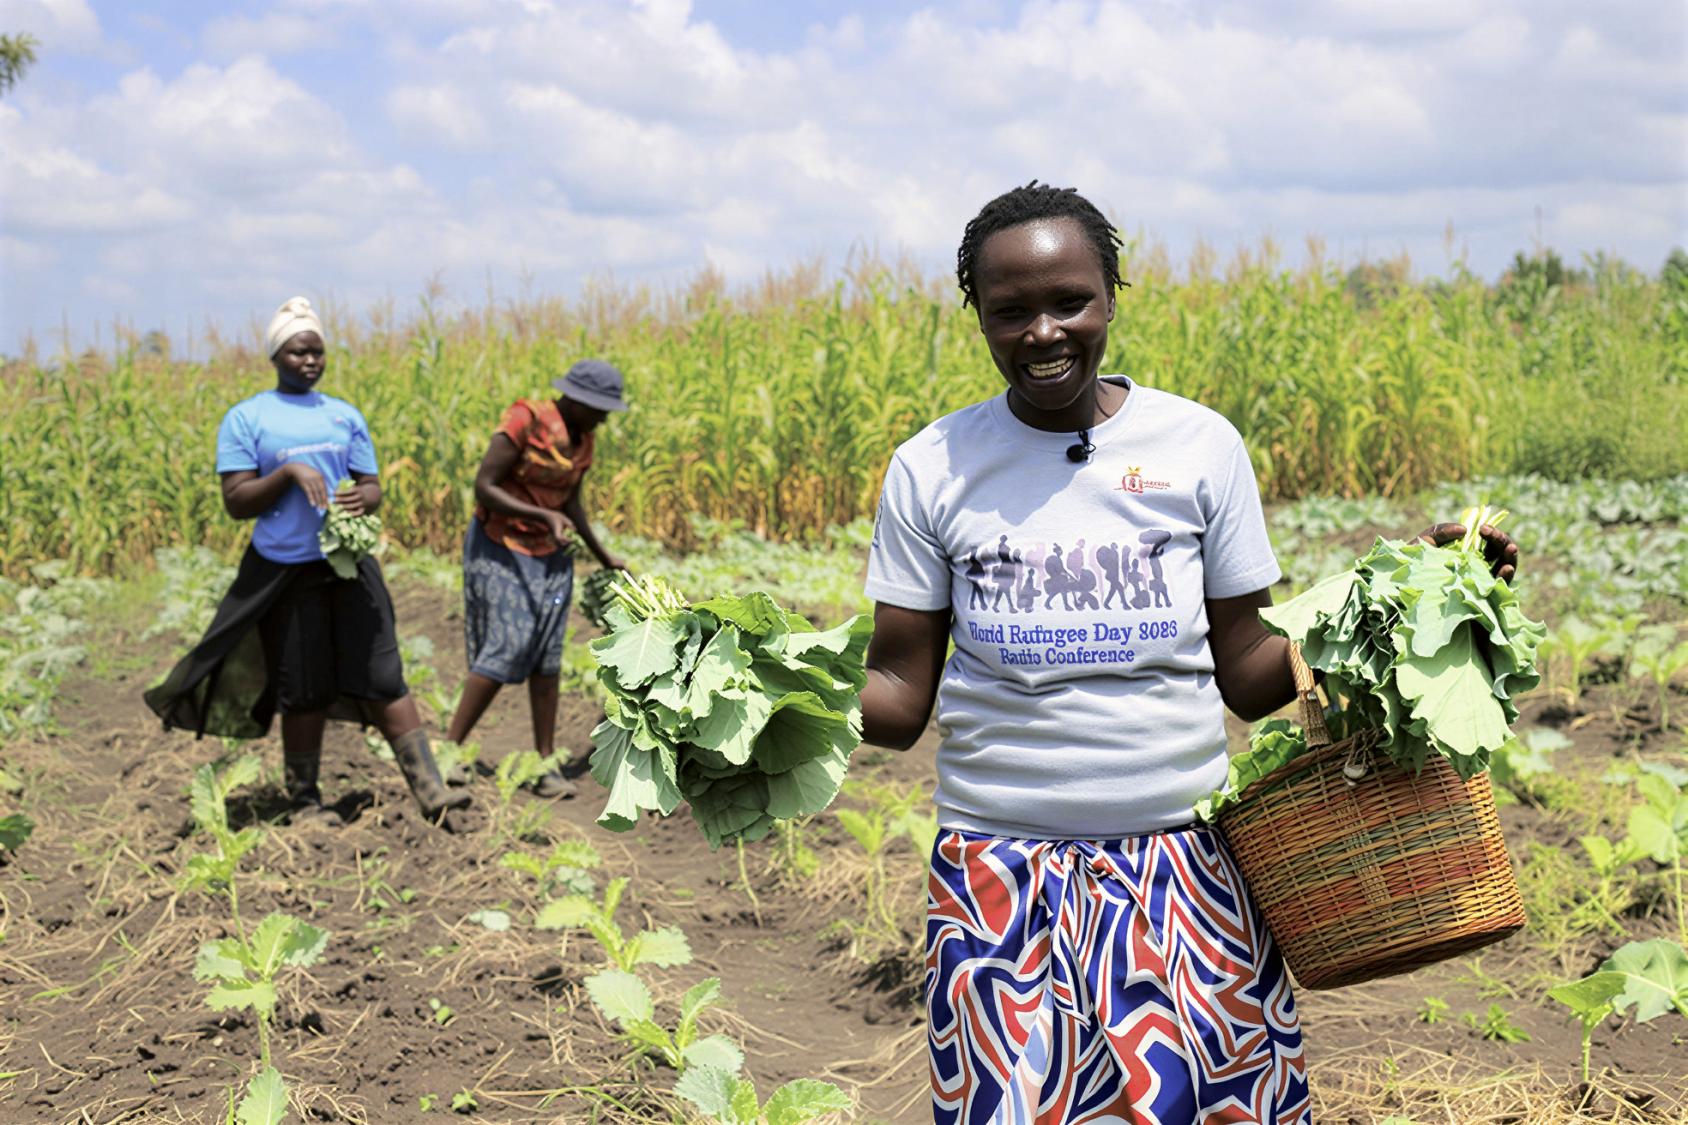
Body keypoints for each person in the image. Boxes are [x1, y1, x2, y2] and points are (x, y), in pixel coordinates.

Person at [857, 183, 1518, 1125]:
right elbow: (897, 692)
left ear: (1112, 297)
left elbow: (1248, 668)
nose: (1043, 331)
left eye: (1069, 302)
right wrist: (766, 694)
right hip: (1000, 877)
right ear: (979, 317)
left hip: (1186, 870)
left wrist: (1418, 592)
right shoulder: (934, 466)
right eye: (1010, 311)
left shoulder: (1198, 447)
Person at [145, 297, 471, 829]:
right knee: (305, 687)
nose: (310, 361)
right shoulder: (247, 418)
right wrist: (289, 472)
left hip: (347, 565)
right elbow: (236, 502)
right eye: (299, 353)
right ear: (276, 355)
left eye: (318, 353)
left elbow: (371, 484)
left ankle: (431, 789)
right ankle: (304, 801)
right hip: (285, 572)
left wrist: (367, 498)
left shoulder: (343, 415)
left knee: (385, 673)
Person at [443, 359, 628, 798]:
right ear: (576, 399)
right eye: (599, 408)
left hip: (551, 553)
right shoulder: (525, 420)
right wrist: (542, 515)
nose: (604, 418)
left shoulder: (584, 441)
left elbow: (572, 502)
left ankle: (545, 765)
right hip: (502, 544)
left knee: (547, 657)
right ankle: (447, 750)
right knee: (509, 643)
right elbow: (485, 486)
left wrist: (606, 558)